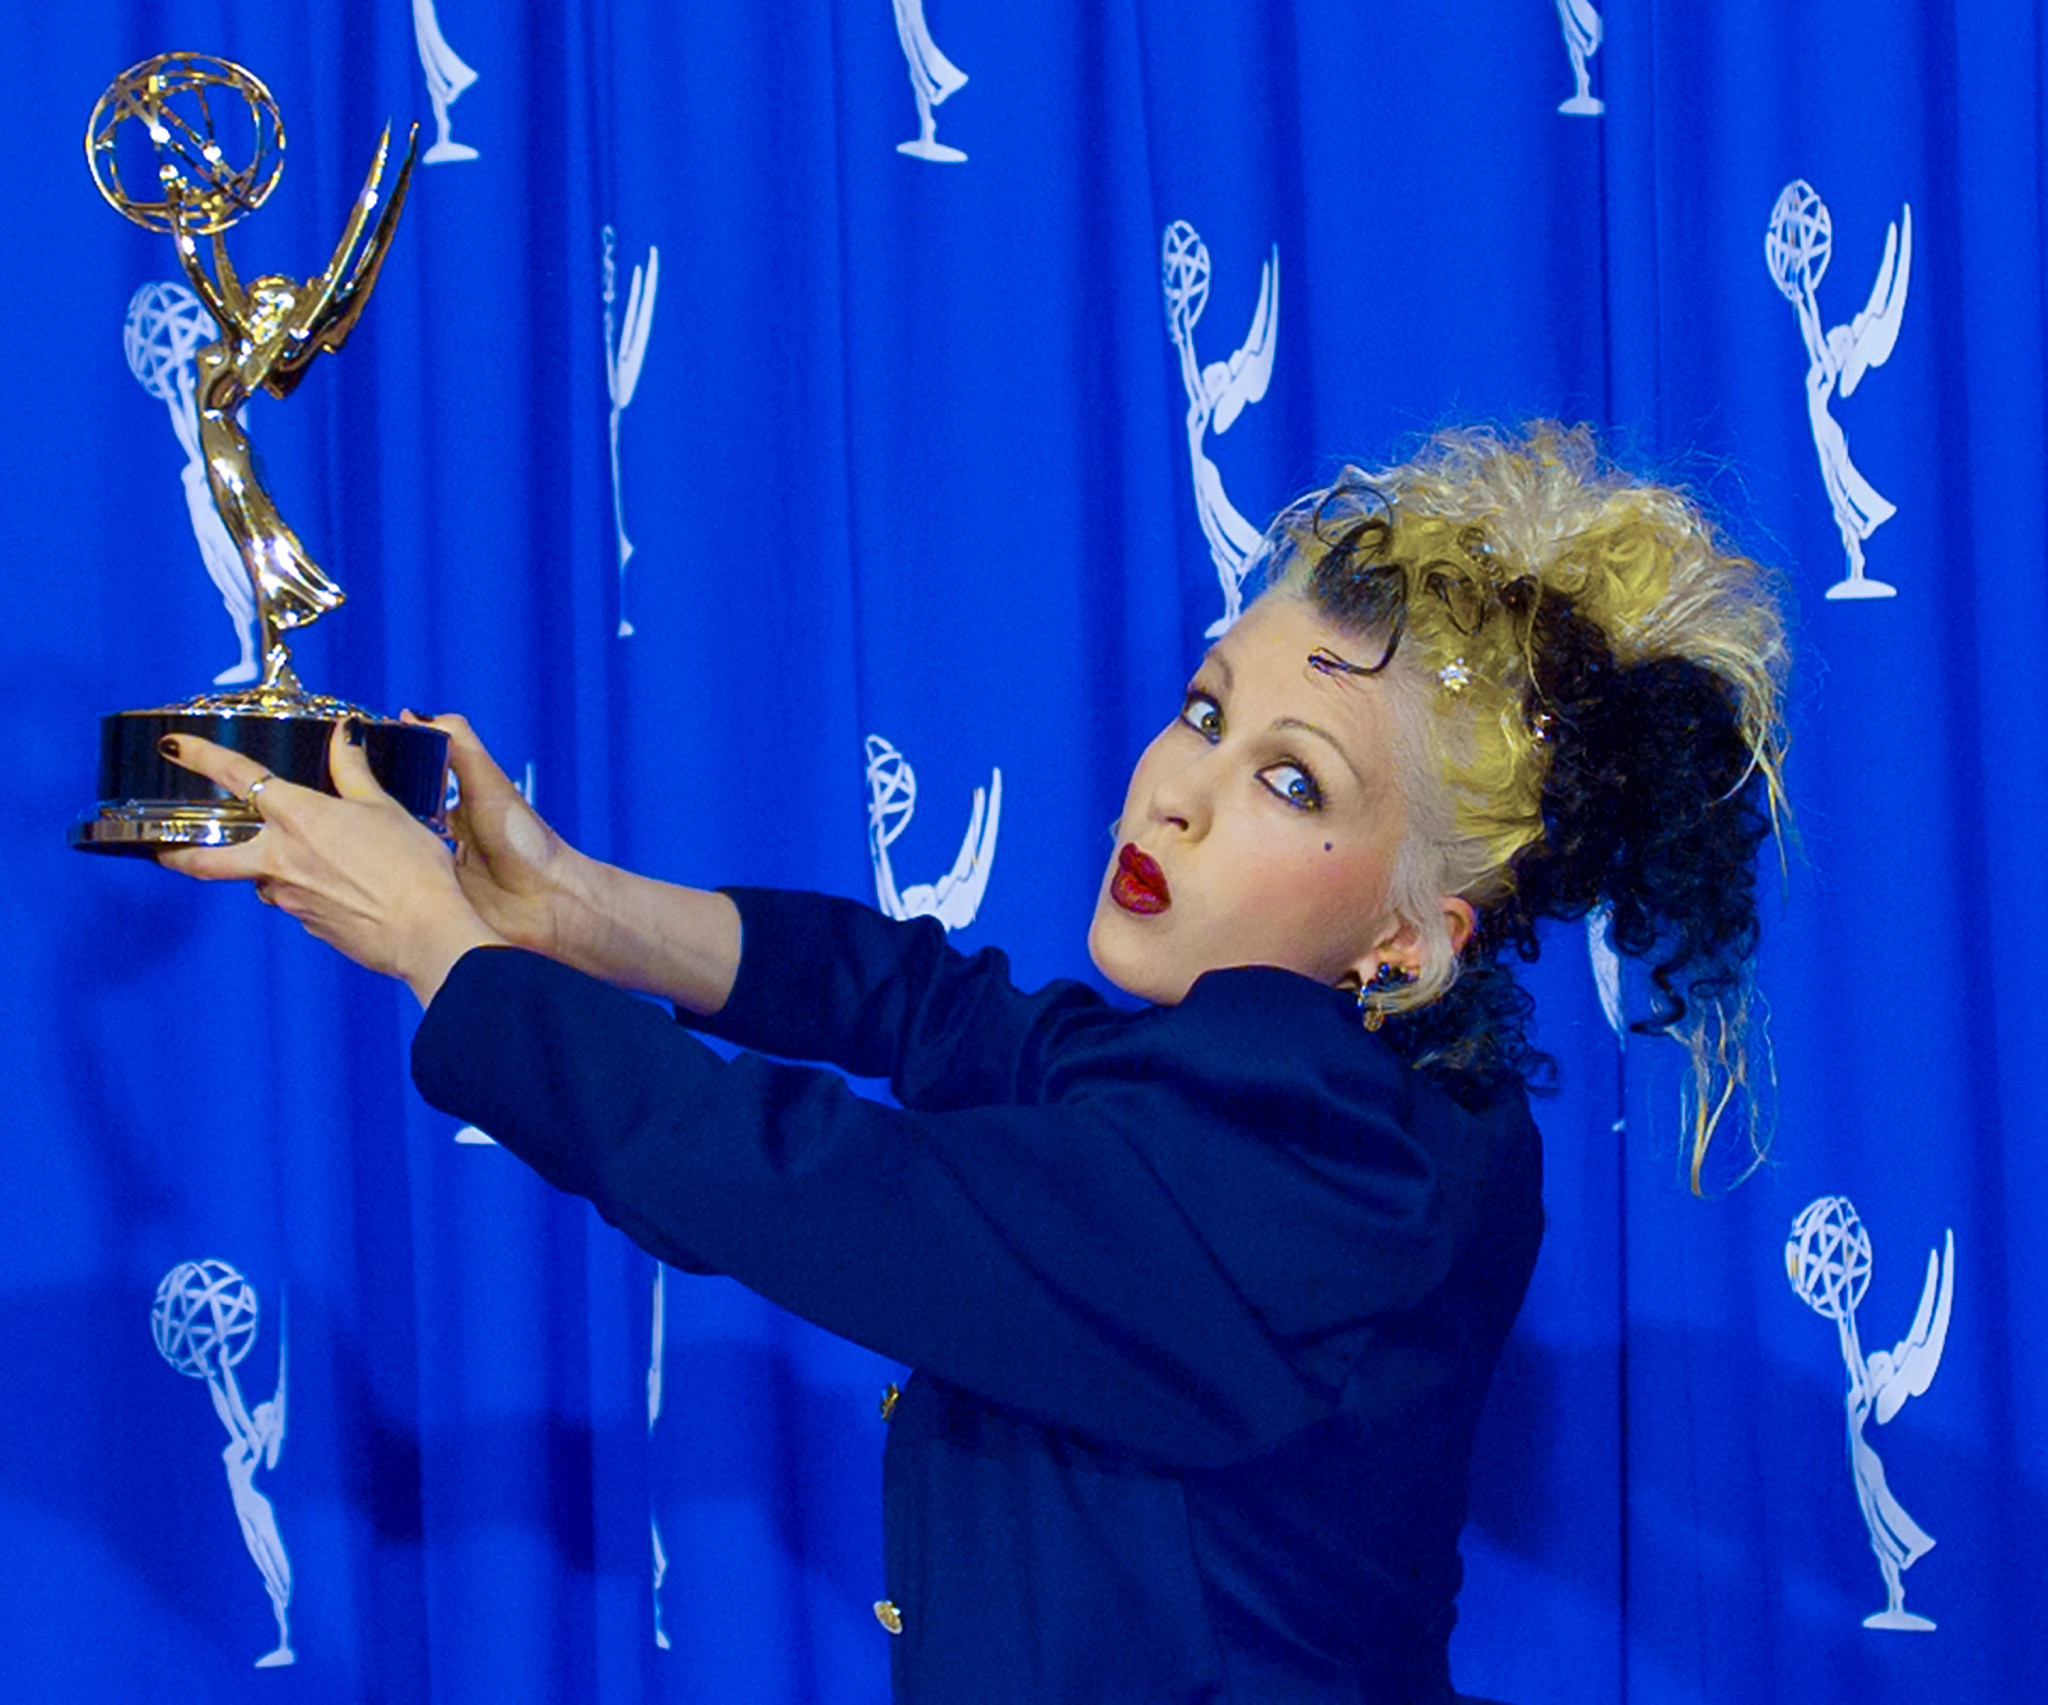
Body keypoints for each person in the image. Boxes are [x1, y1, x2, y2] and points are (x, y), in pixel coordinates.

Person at [158, 423, 1787, 1703]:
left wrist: (447, 945)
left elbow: (821, 1187)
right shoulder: (1346, 1091)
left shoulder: (1328, 1178)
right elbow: (937, 1009)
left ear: (1414, 939)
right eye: (1207, 712)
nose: (1177, 790)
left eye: (1294, 784)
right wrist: (579, 907)